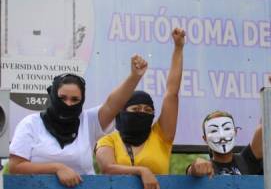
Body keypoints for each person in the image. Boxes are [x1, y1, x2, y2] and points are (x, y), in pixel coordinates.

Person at [9, 55, 148, 187]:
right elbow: (16, 167)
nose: (68, 104)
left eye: (75, 99)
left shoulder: (88, 121)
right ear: (52, 95)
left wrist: (134, 77)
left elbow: (113, 105)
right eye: (62, 98)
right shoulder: (30, 124)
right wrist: (57, 168)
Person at [95, 28, 185, 189]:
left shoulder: (161, 136)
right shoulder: (108, 140)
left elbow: (172, 93)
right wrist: (142, 171)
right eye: (136, 109)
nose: (142, 113)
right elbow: (107, 168)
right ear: (122, 113)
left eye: (147, 110)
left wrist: (178, 48)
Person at [186, 110, 263, 177]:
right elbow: (193, 171)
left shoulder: (246, 161)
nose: (222, 135)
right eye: (214, 131)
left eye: (227, 128)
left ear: (235, 132)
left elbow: (264, 127)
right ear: (205, 139)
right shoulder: (206, 168)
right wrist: (194, 168)